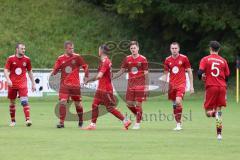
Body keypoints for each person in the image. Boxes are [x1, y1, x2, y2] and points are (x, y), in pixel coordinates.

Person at [83, 44, 131, 130]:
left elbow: (99, 76)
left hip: (104, 89)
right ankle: (92, 125)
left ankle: (126, 120)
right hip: (102, 88)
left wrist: (88, 80)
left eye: (99, 50)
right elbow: (110, 75)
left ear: (101, 51)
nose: (98, 51)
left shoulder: (105, 62)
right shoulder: (106, 61)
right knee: (94, 105)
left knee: (110, 108)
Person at [50, 41, 89, 128]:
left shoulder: (77, 57)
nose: (72, 50)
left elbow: (85, 66)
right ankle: (61, 122)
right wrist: (53, 72)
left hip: (75, 85)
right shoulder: (60, 58)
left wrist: (86, 76)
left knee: (77, 104)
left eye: (72, 48)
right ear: (65, 49)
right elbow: (55, 69)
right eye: (70, 48)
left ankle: (81, 120)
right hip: (64, 85)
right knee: (62, 101)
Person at [112, 41, 149, 130]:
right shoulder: (127, 59)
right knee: (129, 104)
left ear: (138, 48)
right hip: (131, 85)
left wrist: (147, 86)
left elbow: (146, 73)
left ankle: (137, 123)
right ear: (130, 49)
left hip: (140, 85)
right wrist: (113, 76)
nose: (133, 50)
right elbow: (122, 70)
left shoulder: (143, 59)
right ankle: (138, 115)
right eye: (131, 48)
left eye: (134, 48)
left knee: (138, 104)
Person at [198, 41, 230, 140]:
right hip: (222, 87)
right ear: (219, 49)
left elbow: (200, 73)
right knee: (219, 110)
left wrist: (202, 76)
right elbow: (227, 77)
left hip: (211, 87)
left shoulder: (205, 59)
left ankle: (213, 113)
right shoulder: (223, 61)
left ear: (210, 48)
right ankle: (219, 135)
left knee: (207, 112)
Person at [163, 42, 194, 131]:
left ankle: (179, 124)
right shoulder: (167, 59)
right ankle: (178, 123)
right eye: (172, 48)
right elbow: (165, 73)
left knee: (177, 101)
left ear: (179, 49)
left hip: (181, 84)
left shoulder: (184, 58)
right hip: (172, 85)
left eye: (176, 48)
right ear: (170, 49)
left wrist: (191, 86)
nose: (174, 50)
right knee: (174, 104)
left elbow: (189, 71)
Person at [4, 43, 36, 127]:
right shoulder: (10, 59)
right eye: (22, 48)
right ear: (17, 49)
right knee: (12, 102)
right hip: (12, 84)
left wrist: (33, 83)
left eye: (24, 48)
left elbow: (29, 71)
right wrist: (8, 80)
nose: (24, 50)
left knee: (24, 101)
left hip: (22, 83)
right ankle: (13, 121)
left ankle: (28, 119)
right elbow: (6, 70)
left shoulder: (27, 59)